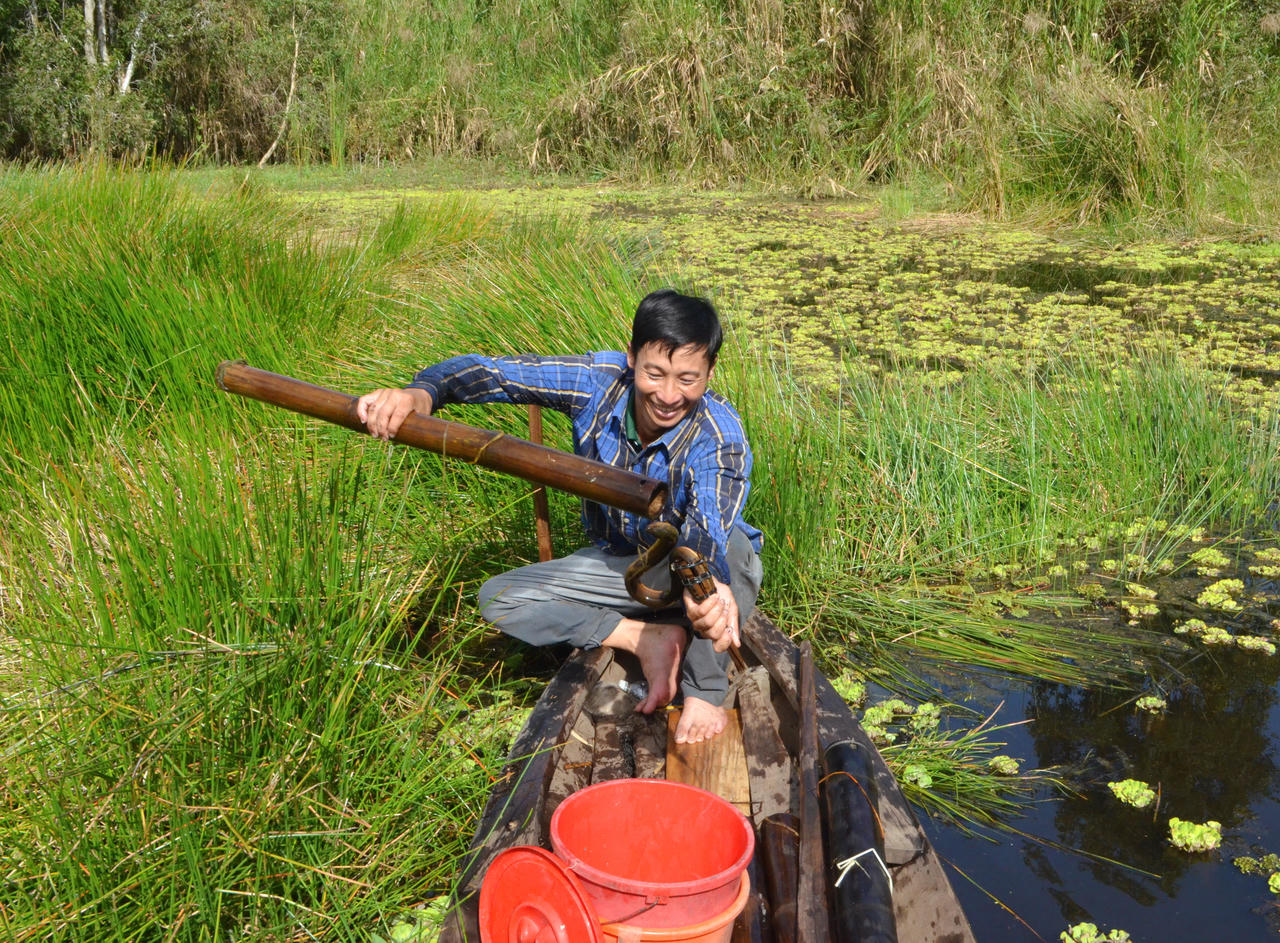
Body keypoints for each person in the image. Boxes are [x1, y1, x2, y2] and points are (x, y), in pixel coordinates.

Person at [356, 289, 763, 743]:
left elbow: (708, 522)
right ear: (631, 358)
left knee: (733, 552)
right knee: (500, 596)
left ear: (708, 374)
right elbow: (493, 373)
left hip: (688, 569)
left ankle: (704, 689)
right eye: (655, 374)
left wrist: (707, 590)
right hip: (619, 566)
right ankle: (645, 638)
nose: (669, 395)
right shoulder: (598, 379)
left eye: (688, 380)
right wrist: (422, 393)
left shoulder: (720, 432)